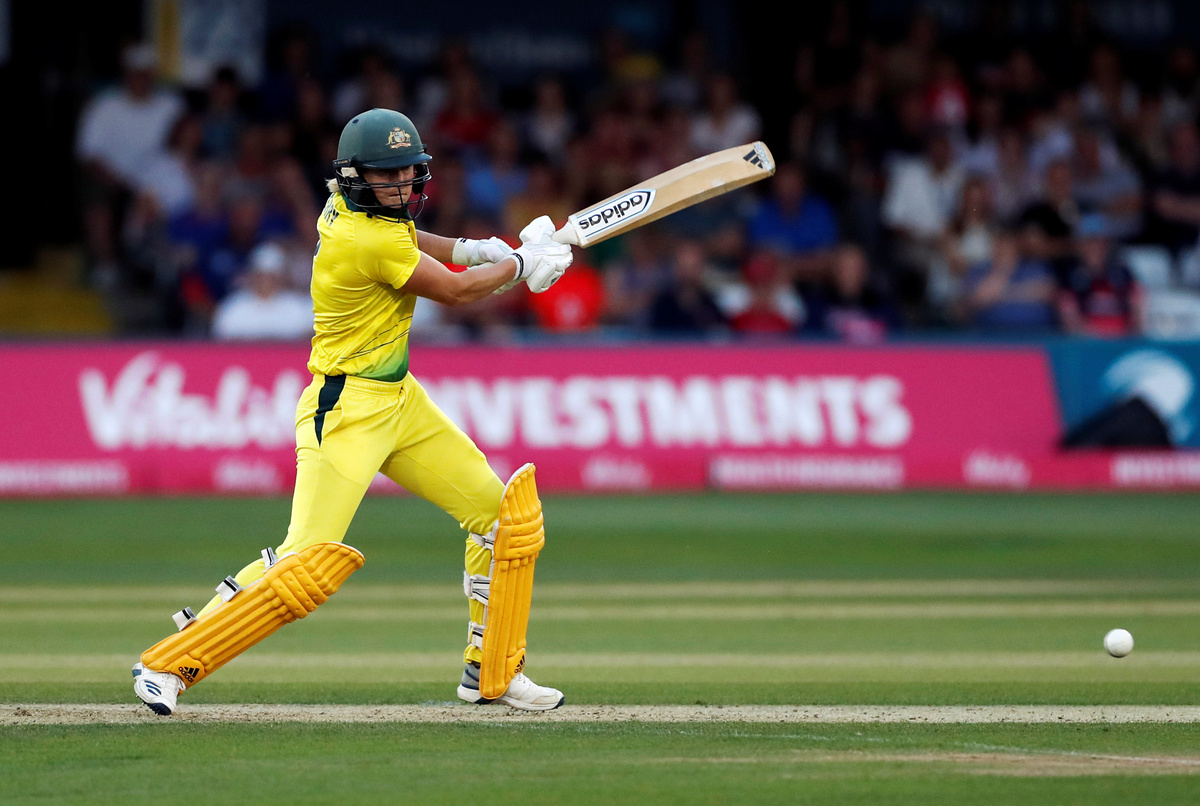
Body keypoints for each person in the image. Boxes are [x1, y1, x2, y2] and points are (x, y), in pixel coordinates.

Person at [132, 108, 573, 715]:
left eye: (407, 172)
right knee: (305, 563)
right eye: (386, 175)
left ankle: (491, 671)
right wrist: (521, 265)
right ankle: (166, 664)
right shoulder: (363, 237)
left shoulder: (352, 209)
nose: (400, 185)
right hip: (345, 409)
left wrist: (472, 249)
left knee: (504, 520)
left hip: (399, 398)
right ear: (356, 176)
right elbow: (453, 291)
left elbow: (411, 240)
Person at [210, 241, 315, 341]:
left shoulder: (298, 307)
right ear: (252, 276)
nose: (266, 282)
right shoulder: (233, 308)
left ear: (281, 278)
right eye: (261, 276)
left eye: (271, 277)